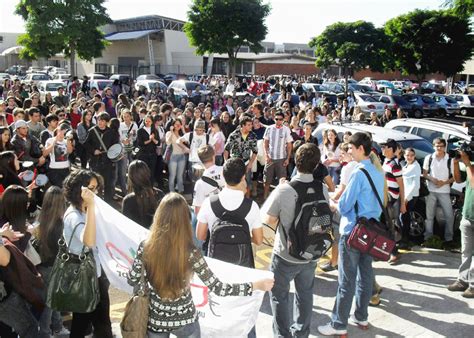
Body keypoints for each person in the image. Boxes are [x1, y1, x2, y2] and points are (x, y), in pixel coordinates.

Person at [128, 192, 274, 337]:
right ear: (186, 219)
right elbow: (218, 288)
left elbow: (132, 279)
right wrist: (256, 286)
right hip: (186, 320)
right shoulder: (191, 252)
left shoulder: (146, 246)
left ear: (159, 216)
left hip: (156, 321)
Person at [318, 132, 385, 336]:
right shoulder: (376, 172)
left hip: (352, 231)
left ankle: (339, 324)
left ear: (361, 149)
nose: (349, 152)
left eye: (352, 148)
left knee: (346, 281)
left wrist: (332, 203)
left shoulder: (358, 172)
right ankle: (361, 316)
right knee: (365, 276)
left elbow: (345, 205)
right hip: (370, 231)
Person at [263, 143, 329, 337]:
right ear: (316, 165)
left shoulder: (284, 190)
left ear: (295, 162)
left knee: (279, 297)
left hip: (286, 254)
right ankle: (301, 333)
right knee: (305, 294)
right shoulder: (322, 188)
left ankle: (282, 335)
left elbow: (269, 220)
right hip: (311, 252)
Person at [62, 169, 113, 337]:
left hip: (95, 275)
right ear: (79, 190)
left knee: (102, 322)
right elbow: (89, 241)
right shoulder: (73, 216)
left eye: (96, 188)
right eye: (91, 188)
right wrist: (91, 206)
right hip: (83, 280)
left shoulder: (86, 210)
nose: (95, 193)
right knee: (81, 325)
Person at [32, 186, 70, 337]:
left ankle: (58, 326)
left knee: (52, 301)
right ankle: (46, 332)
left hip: (42, 267)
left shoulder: (40, 220)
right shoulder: (61, 225)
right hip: (55, 268)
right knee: (50, 304)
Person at [448, 149, 474, 298]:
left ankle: (473, 285)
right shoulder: (470, 163)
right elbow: (458, 180)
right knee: (465, 252)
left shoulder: (470, 164)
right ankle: (463, 280)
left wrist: (467, 163)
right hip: (468, 215)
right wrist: (456, 163)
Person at [422, 137, 455, 245]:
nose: (439, 148)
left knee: (449, 215)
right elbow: (425, 174)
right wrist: (432, 179)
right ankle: (428, 237)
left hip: (444, 191)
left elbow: (454, 177)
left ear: (445, 147)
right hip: (431, 190)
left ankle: (449, 239)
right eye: (437, 146)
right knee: (429, 216)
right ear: (433, 146)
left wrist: (444, 182)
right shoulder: (429, 158)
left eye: (441, 146)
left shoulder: (450, 159)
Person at [380, 138, 406, 264]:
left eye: (384, 147)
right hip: (385, 197)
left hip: (391, 199)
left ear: (391, 149)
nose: (382, 150)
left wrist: (402, 204)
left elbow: (401, 185)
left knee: (390, 226)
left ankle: (394, 252)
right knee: (385, 225)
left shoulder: (395, 166)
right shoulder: (386, 162)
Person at [84, 112, 119, 203]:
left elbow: (115, 146)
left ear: (106, 122)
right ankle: (96, 202)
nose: (100, 122)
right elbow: (86, 144)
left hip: (107, 162)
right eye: (99, 120)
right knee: (96, 183)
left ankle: (107, 203)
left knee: (108, 184)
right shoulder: (92, 131)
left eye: (102, 121)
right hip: (95, 162)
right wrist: (93, 150)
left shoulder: (112, 132)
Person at [122, 160, 164, 229]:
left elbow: (126, 228)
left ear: (131, 178)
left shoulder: (128, 201)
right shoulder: (160, 194)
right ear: (148, 173)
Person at [224, 116, 258, 197]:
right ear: (242, 125)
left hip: (246, 163)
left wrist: (250, 163)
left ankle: (247, 200)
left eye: (251, 124)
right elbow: (226, 150)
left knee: (248, 183)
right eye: (248, 125)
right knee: (234, 184)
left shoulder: (253, 135)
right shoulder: (233, 135)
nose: (251, 126)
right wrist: (226, 162)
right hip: (234, 164)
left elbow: (255, 151)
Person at [263, 111, 293, 199]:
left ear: (283, 120)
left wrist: (287, 158)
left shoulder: (286, 129)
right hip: (270, 158)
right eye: (276, 119)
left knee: (282, 180)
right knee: (267, 180)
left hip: (281, 158)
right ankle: (265, 197)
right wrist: (266, 155)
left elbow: (289, 145)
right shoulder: (269, 128)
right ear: (274, 119)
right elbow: (265, 143)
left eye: (280, 119)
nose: (278, 121)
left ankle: (281, 199)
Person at [192, 145, 225, 215]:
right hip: (229, 214)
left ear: (200, 160)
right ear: (213, 156)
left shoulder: (199, 184)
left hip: (211, 219)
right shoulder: (226, 171)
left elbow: (197, 211)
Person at [401, 148, 421, 247]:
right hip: (405, 195)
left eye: (411, 155)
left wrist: (406, 199)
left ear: (414, 156)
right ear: (404, 156)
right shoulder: (406, 166)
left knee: (405, 218)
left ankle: (405, 240)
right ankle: (404, 238)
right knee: (405, 217)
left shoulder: (415, 167)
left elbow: (415, 186)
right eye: (407, 155)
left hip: (411, 196)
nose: (409, 157)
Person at [166, 118, 188, 193]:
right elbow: (168, 143)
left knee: (180, 175)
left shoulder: (182, 134)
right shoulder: (169, 133)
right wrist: (172, 131)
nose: (178, 125)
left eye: (179, 124)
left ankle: (180, 191)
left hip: (182, 156)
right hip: (173, 157)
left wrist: (183, 129)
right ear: (173, 125)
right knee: (172, 175)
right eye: (176, 124)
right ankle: (171, 192)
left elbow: (187, 141)